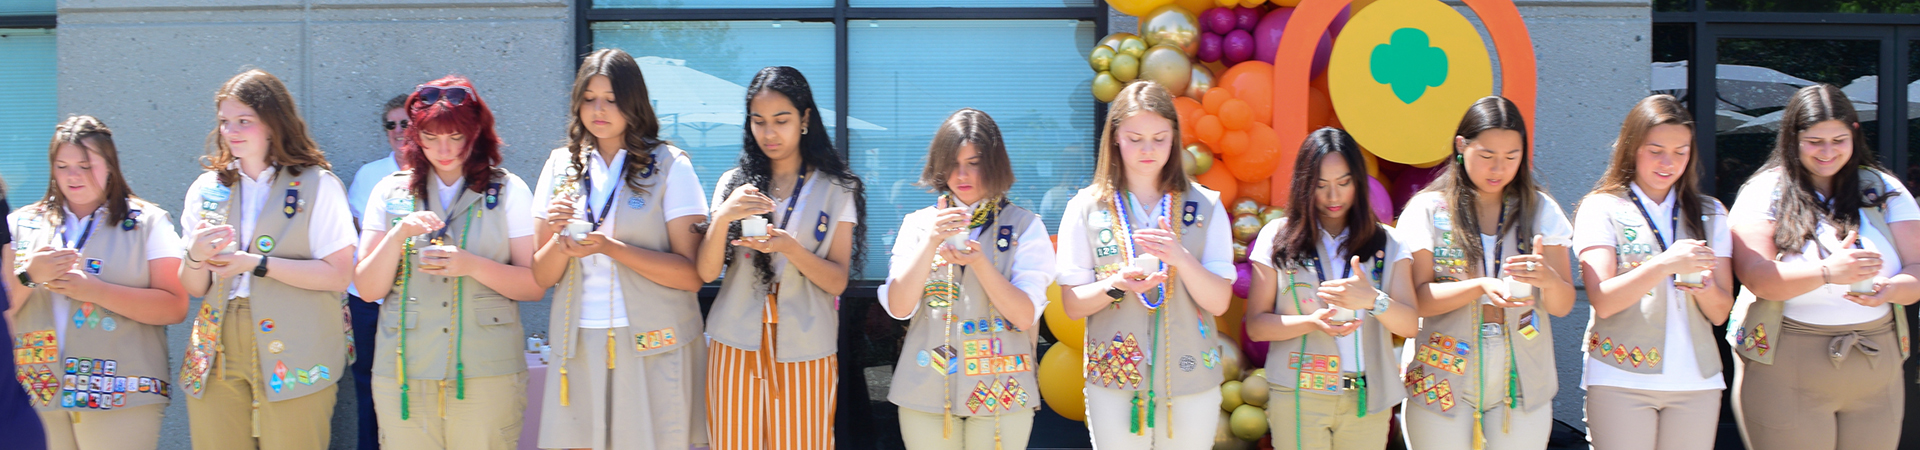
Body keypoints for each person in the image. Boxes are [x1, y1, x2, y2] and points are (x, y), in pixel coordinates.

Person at [530, 48, 710, 450]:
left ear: (634, 102)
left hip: (651, 337)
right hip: (577, 337)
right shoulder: (561, 164)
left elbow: (692, 274)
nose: (599, 109)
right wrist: (560, 241)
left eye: (611, 99)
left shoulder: (669, 165)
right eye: (589, 98)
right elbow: (540, 276)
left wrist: (611, 247)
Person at [1726, 84, 1920, 450]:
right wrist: (1829, 272)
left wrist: (1891, 290)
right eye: (1815, 141)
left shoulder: (1885, 189)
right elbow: (1758, 278)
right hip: (1785, 363)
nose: (1828, 152)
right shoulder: (1764, 191)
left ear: (1855, 134)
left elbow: (1917, 266)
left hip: (1876, 364)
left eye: (1839, 140)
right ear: (1793, 138)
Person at [353, 76, 541, 449]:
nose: (444, 150)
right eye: (431, 137)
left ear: (477, 134)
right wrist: (397, 235)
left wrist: (471, 265)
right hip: (404, 373)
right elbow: (368, 288)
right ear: (414, 136)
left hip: (486, 374)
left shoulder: (508, 190)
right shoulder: (389, 191)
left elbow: (534, 284)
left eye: (456, 137)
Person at [178, 69, 357, 450]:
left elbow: (340, 275)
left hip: (299, 343)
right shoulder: (207, 189)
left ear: (274, 123)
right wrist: (194, 256)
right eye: (225, 122)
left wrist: (255, 263)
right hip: (218, 347)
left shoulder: (318, 183)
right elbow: (194, 287)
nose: (232, 131)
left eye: (245, 121)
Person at [1056, 81, 1233, 449]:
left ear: (1174, 138)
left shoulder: (1206, 207)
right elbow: (1072, 304)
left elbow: (1219, 302)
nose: (1147, 150)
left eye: (1159, 138)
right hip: (1115, 377)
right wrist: (1116, 283)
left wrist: (1181, 258)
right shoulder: (1085, 208)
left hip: (1190, 376)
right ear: (1115, 138)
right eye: (1135, 138)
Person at [695, 66, 866, 449]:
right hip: (734, 340)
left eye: (781, 120)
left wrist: (790, 248)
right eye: (758, 121)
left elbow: (837, 280)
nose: (769, 133)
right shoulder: (733, 183)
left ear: (805, 119)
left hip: (806, 344)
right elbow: (706, 272)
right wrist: (723, 216)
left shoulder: (838, 187)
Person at [1397, 96, 1574, 450]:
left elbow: (1562, 304)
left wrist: (1548, 279)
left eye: (1512, 157)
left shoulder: (1541, 209)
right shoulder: (1428, 210)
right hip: (1442, 369)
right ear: (1461, 146)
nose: (1499, 169)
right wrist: (1479, 286)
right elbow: (1416, 300)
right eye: (1487, 156)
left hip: (1521, 372)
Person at [877, 108, 1055, 450]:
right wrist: (930, 241)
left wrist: (980, 263)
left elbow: (1024, 316)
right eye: (953, 163)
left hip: (1001, 390)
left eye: (974, 162)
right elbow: (899, 308)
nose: (962, 174)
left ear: (994, 165)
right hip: (926, 390)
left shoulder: (1026, 225)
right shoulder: (918, 224)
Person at [7, 116, 186, 450]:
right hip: (35, 390)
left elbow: (175, 305)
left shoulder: (148, 222)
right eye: (62, 166)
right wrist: (29, 276)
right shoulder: (19, 224)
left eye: (86, 165)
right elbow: (6, 306)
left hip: (122, 391)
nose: (73, 176)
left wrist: (95, 290)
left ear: (111, 166)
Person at [1570, 94, 1732, 450]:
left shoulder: (1710, 211)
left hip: (1696, 380)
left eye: (1681, 151)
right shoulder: (1603, 207)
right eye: (1655, 149)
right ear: (1631, 147)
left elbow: (1721, 313)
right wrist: (1665, 264)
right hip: (1620, 376)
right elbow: (1603, 300)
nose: (1667, 162)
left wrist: (1703, 287)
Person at [1243, 127, 1416, 450]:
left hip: (1366, 398)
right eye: (1321, 186)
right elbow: (1256, 325)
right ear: (1304, 185)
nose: (1333, 197)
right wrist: (1312, 322)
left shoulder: (1389, 243)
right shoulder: (1277, 236)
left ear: (1359, 182)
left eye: (1343, 183)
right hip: (1298, 395)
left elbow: (1409, 324)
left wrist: (1373, 300)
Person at [344, 92, 410, 450]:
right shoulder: (370, 175)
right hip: (368, 303)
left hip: (414, 299)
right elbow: (358, 233)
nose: (399, 131)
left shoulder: (437, 173)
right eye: (392, 125)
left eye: (406, 123)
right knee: (367, 386)